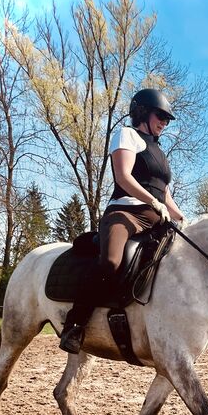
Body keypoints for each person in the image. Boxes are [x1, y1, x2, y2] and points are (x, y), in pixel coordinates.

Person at [59, 88, 185, 353]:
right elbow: (123, 177)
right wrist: (153, 202)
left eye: (167, 119)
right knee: (111, 262)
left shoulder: (160, 154)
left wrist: (182, 217)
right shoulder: (127, 135)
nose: (164, 122)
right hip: (126, 213)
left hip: (156, 220)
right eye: (160, 115)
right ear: (142, 112)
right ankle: (75, 324)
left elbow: (166, 197)